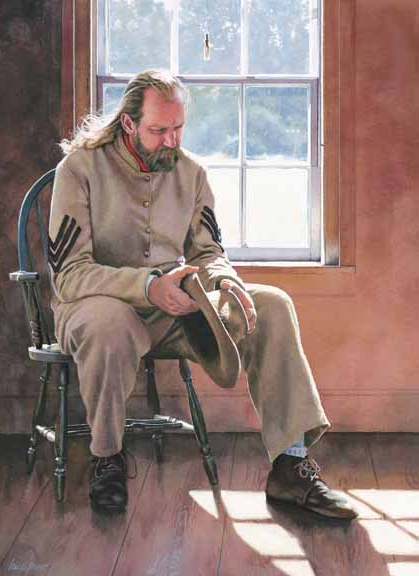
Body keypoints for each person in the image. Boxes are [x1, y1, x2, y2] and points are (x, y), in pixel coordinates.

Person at [49, 69, 357, 519]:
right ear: (129, 123)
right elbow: (70, 275)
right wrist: (147, 287)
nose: (172, 141)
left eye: (178, 128)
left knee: (273, 305)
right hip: (98, 308)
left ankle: (290, 467)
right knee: (109, 325)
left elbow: (208, 252)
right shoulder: (78, 170)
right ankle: (107, 459)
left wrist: (225, 281)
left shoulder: (191, 172)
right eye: (159, 130)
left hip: (174, 310)